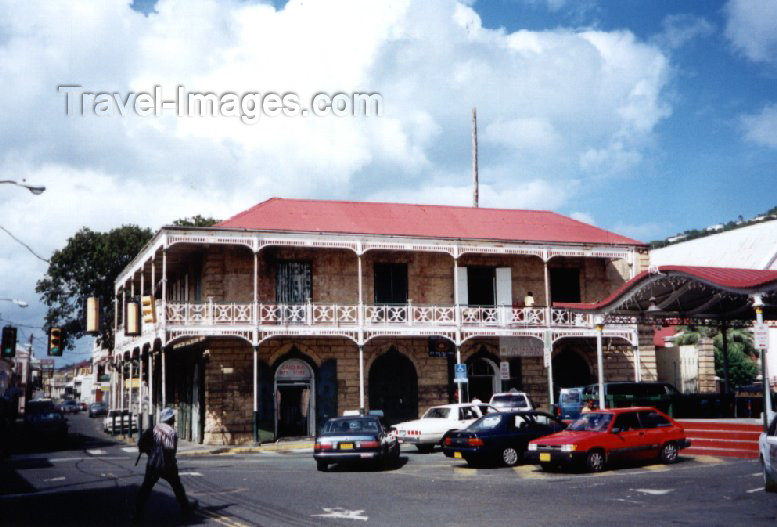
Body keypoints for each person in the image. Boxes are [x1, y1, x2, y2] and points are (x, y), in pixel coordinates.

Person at [133, 408, 196, 522]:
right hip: (168, 466)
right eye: (173, 417)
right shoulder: (172, 433)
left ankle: (137, 513)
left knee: (146, 488)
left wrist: (151, 453)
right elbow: (172, 450)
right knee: (177, 487)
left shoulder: (154, 429)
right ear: (170, 419)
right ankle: (185, 508)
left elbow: (143, 444)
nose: (174, 419)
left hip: (153, 464)